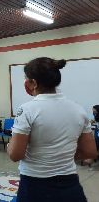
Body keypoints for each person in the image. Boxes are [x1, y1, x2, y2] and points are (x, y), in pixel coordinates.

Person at [7, 57, 97, 202]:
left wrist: (9, 146)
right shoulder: (78, 110)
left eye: (26, 79)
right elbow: (90, 152)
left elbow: (15, 154)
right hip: (70, 185)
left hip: (34, 186)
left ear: (33, 83)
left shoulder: (27, 110)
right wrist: (62, 157)